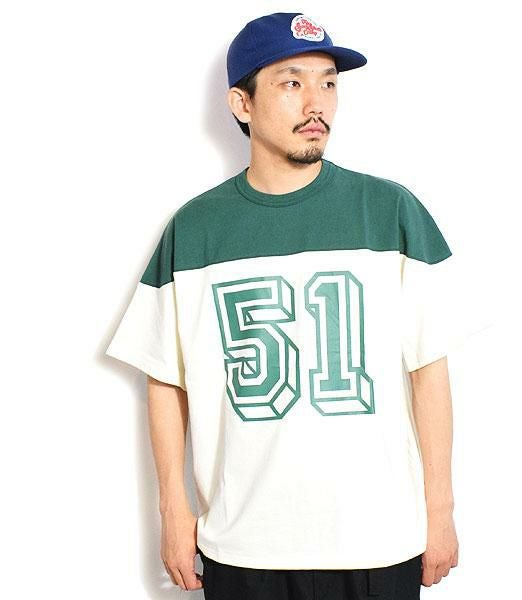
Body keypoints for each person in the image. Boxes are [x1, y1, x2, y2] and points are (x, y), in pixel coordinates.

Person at [106, 11, 476, 600]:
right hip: (242, 545)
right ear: (242, 104)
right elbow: (165, 378)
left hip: (377, 540)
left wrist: (441, 509)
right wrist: (173, 512)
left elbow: (429, 369)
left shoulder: (390, 211)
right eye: (292, 82)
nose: (317, 103)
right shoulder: (196, 229)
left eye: (328, 82)